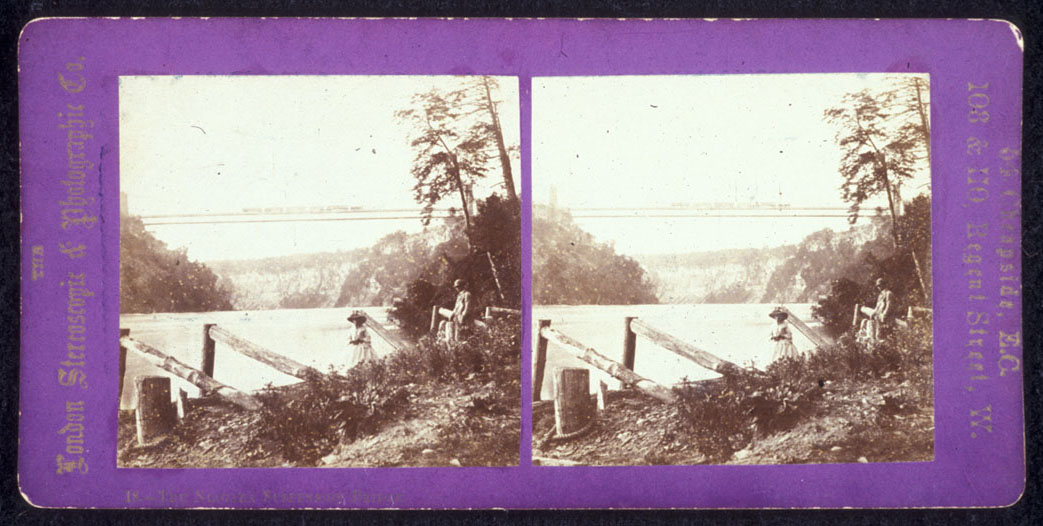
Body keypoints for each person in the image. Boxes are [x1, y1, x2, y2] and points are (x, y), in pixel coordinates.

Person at [448, 278, 473, 343]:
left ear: (462, 286)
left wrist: (463, 317)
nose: (457, 289)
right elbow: (456, 307)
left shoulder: (467, 294)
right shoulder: (459, 296)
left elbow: (467, 308)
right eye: (456, 287)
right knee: (456, 336)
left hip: (465, 319)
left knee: (464, 337)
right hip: (458, 318)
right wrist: (452, 314)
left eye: (458, 287)